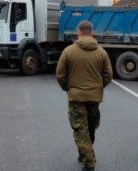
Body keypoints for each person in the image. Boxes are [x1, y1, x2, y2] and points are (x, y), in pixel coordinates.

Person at [56, 20, 113, 171]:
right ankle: (85, 152)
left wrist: (68, 88)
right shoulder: (101, 52)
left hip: (76, 97)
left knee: (80, 129)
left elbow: (60, 74)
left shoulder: (68, 51)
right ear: (92, 33)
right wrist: (98, 88)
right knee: (91, 128)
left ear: (78, 33)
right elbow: (108, 75)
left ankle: (89, 162)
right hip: (94, 98)